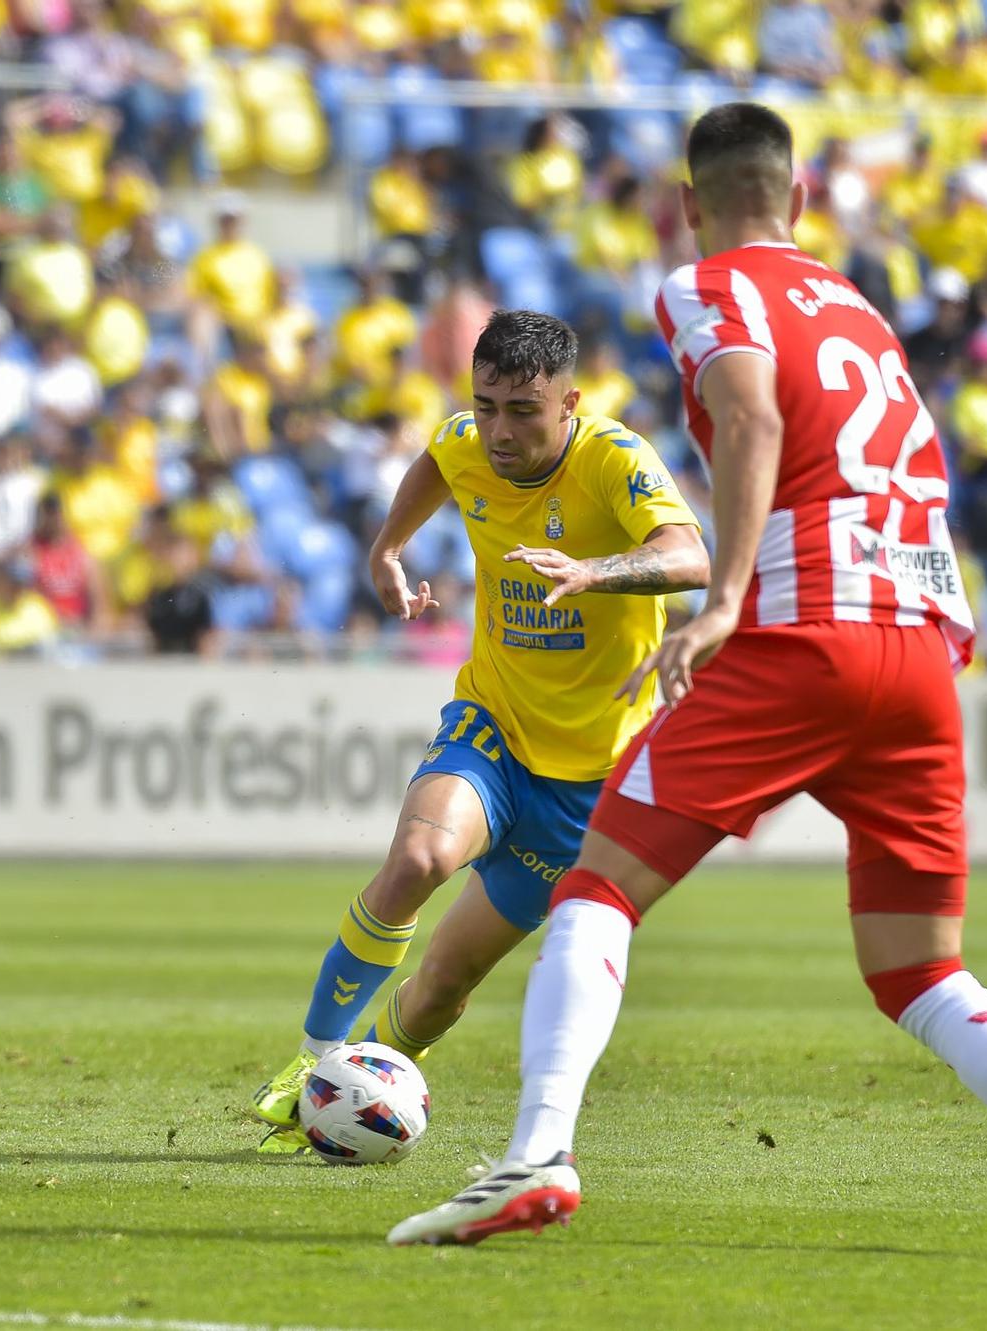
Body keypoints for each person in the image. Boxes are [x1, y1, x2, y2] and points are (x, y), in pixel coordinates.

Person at [388, 104, 987, 1263]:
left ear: (691, 204)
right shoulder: (858, 308)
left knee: (593, 892)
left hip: (804, 628)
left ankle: (534, 1157)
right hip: (917, 642)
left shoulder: (708, 285)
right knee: (918, 964)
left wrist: (721, 599)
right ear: (800, 201)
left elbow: (750, 410)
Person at [247, 310, 707, 1153]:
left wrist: (597, 570)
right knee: (418, 860)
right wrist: (389, 546)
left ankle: (359, 1090)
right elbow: (439, 459)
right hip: (492, 721)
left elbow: (690, 555)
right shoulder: (468, 440)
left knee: (439, 991)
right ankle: (309, 1067)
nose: (498, 429)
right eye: (486, 403)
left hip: (588, 782)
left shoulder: (615, 458)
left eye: (522, 411)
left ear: (569, 402)